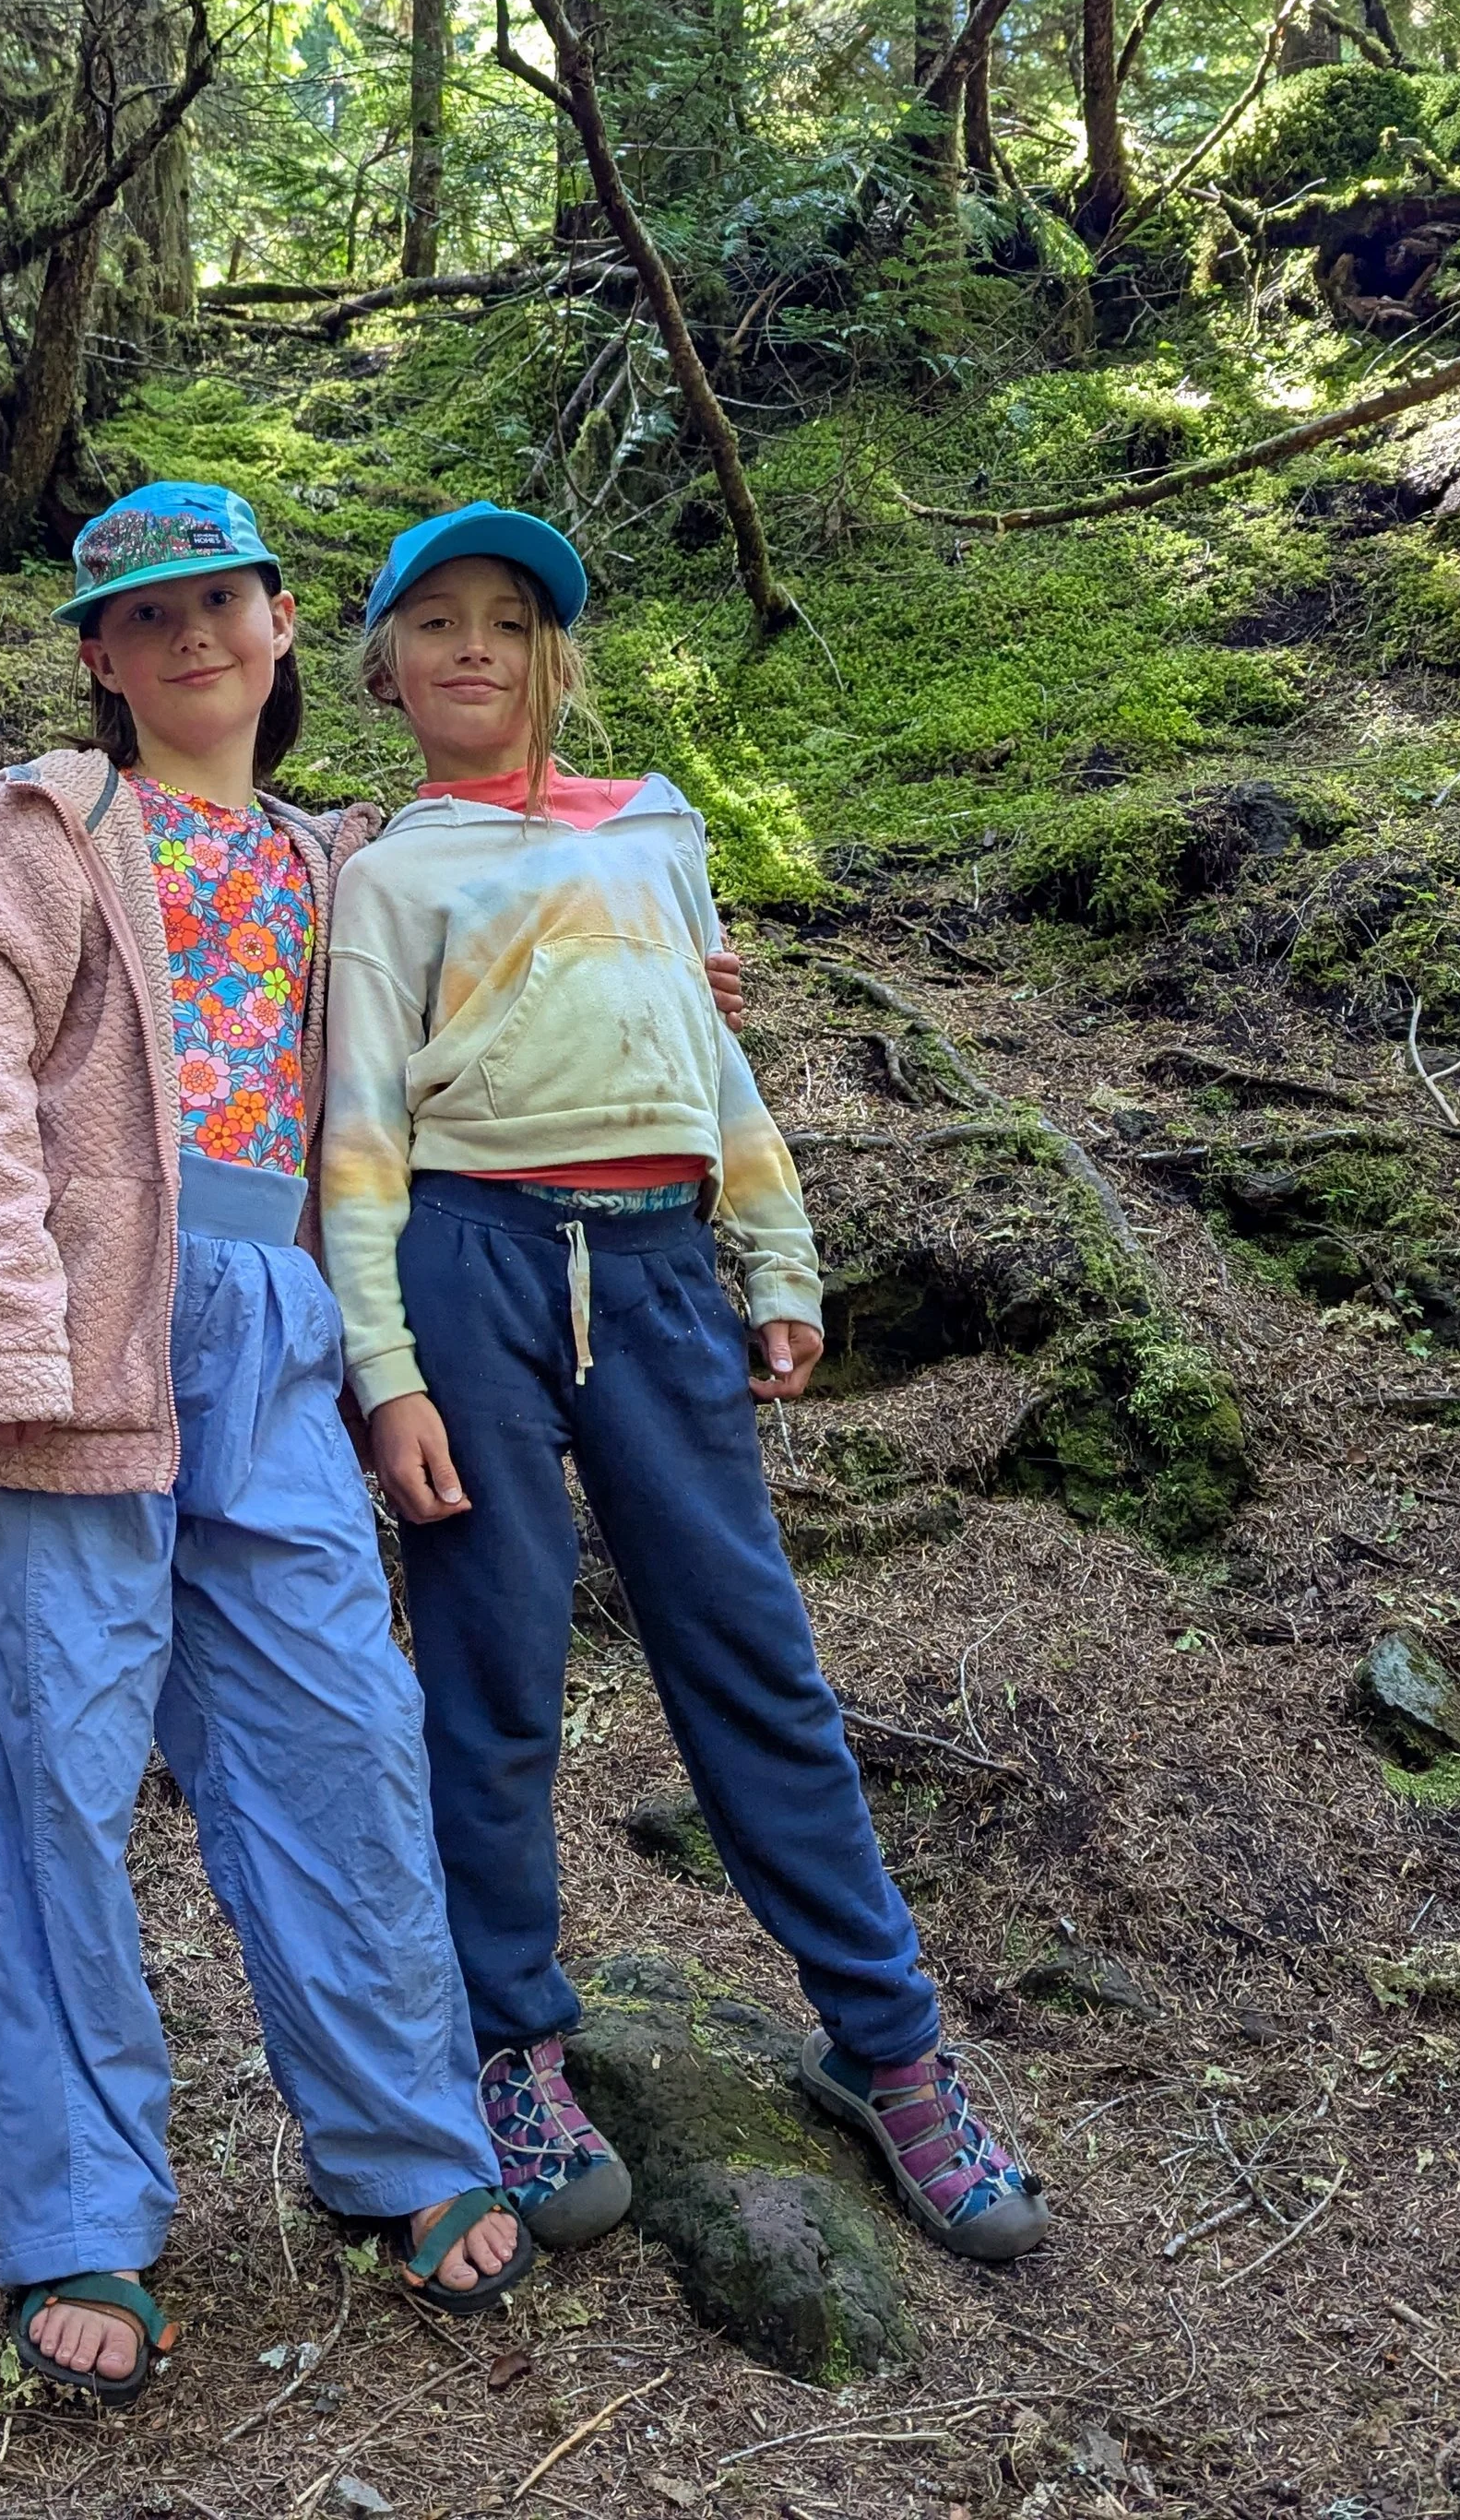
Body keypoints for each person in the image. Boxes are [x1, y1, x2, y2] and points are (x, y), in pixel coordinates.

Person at [318, 502, 1051, 2266]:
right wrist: (386, 1373)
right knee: (493, 1675)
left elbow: (713, 1059)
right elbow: (358, 1140)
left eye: (510, 620)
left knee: (753, 1657)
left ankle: (890, 2050)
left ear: (557, 656)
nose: (475, 648)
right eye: (437, 626)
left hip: (657, 1272)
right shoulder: (387, 873)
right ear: (387, 670)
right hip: (470, 1265)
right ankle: (512, 2044)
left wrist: (780, 1256)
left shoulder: (656, 827)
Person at [0, 479, 533, 2408]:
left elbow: (515, 997)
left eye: (219, 601)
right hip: (76, 1349)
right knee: (46, 1775)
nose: (188, 638)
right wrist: (5, 1330)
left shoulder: (347, 863)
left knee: (337, 1732)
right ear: (99, 655)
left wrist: (676, 995)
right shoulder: (39, 829)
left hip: (279, 1347)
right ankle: (76, 2207)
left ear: (274, 626)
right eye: (143, 614)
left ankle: (399, 2139)